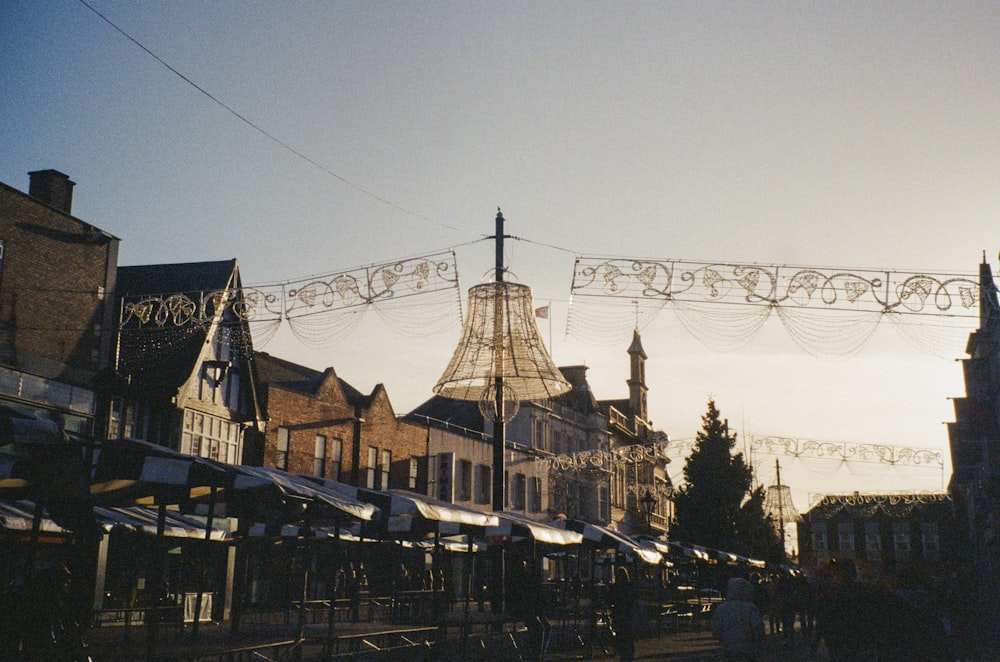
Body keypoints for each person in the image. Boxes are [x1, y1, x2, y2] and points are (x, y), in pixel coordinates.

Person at [711, 576, 765, 662]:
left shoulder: (722, 608)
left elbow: (716, 629)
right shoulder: (750, 608)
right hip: (748, 649)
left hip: (728, 648)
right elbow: (757, 627)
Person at [608, 566, 636, 662]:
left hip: (618, 615)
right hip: (628, 615)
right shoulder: (630, 586)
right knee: (628, 635)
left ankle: (623, 653)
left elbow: (610, 599)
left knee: (621, 634)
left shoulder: (615, 587)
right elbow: (633, 600)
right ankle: (628, 654)